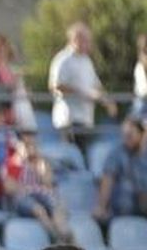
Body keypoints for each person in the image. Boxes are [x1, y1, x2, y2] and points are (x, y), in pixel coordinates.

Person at [49, 22, 117, 157]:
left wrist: (107, 101)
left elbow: (96, 85)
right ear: (76, 39)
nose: (88, 44)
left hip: (85, 119)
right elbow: (55, 85)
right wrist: (83, 93)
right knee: (72, 157)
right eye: (86, 40)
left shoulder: (86, 61)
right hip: (69, 119)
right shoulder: (63, 59)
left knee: (83, 155)